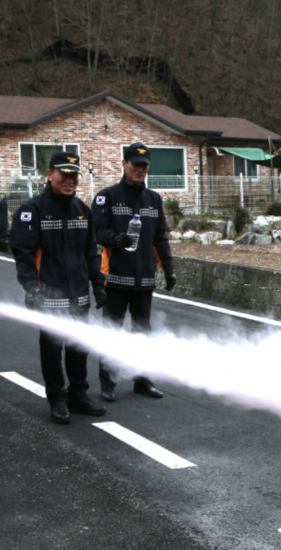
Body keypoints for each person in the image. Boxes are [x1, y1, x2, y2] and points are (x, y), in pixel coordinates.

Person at [10, 151, 108, 424]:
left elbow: (91, 252)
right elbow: (24, 253)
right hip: (48, 295)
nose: (69, 180)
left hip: (77, 293)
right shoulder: (32, 210)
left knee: (78, 346)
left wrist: (97, 283)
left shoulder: (82, 211)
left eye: (74, 175)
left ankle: (78, 395)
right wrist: (32, 288)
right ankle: (57, 398)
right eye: (63, 174)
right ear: (49, 174)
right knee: (52, 348)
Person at [93, 142, 175, 402]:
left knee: (143, 332)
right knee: (112, 332)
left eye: (144, 166)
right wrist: (115, 240)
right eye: (135, 165)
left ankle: (143, 380)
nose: (140, 170)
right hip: (115, 279)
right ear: (124, 164)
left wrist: (169, 269)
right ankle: (108, 383)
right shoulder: (107, 196)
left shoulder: (153, 199)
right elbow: (96, 231)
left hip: (144, 281)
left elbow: (159, 238)